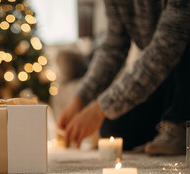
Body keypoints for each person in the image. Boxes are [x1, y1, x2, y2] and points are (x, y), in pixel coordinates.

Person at [58, 0, 190, 155]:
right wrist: (80, 99)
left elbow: (167, 47)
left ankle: (179, 123)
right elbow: (113, 47)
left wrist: (99, 109)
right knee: (112, 129)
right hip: (165, 80)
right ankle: (166, 124)